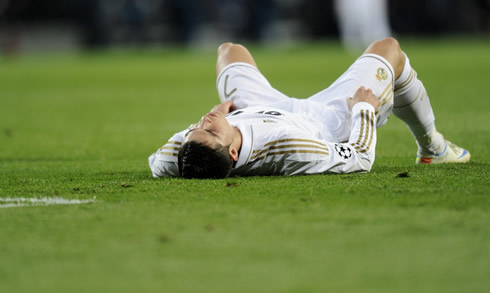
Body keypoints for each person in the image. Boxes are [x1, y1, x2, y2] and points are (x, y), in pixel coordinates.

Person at [149, 38, 470, 179]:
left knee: (229, 51)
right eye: (209, 128)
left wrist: (218, 121)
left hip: (258, 110)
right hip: (324, 119)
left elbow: (157, 163)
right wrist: (363, 111)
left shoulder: (182, 154)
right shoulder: (290, 147)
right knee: (390, 49)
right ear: (233, 154)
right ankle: (433, 147)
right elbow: (359, 159)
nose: (204, 120)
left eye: (196, 126)